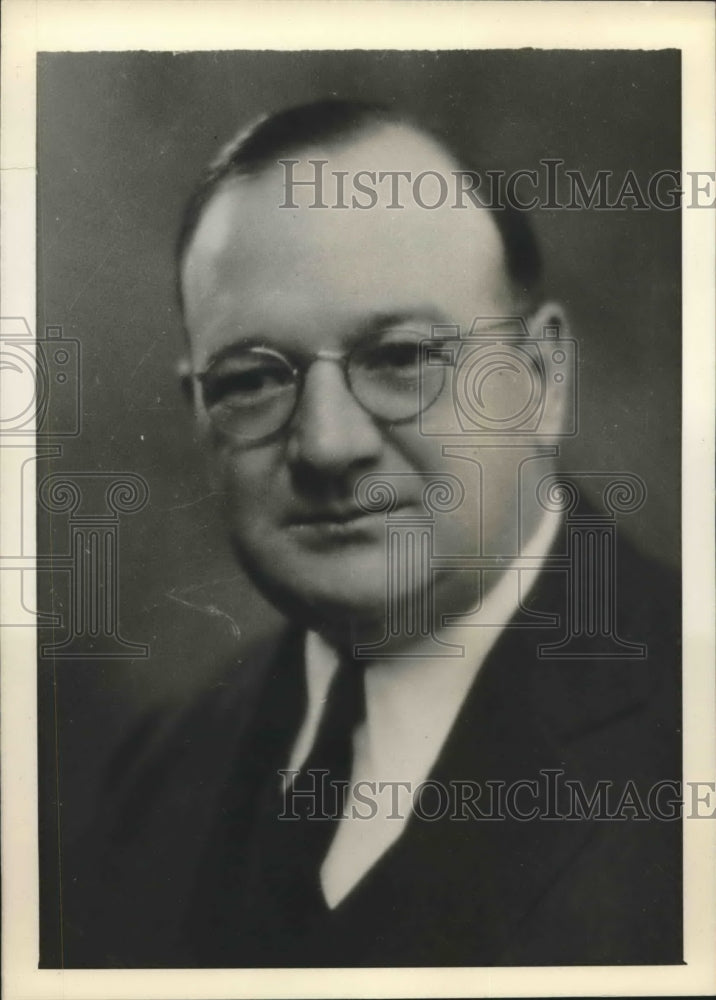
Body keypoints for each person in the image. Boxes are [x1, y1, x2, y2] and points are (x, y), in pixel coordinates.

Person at [61, 100, 681, 968]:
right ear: (199, 412)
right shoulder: (156, 778)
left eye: (399, 360)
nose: (328, 443)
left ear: (539, 381)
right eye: (252, 379)